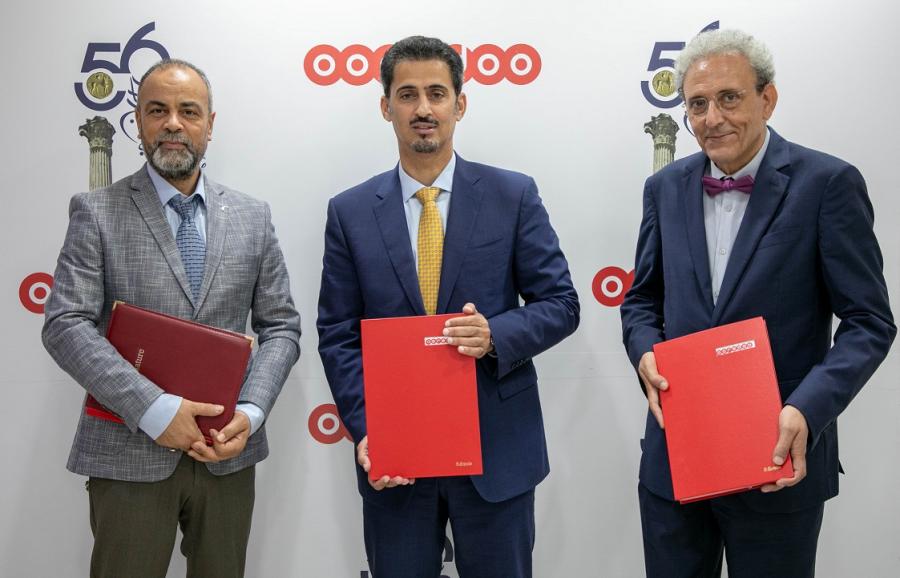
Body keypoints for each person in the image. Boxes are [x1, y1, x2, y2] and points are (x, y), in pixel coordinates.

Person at [621, 29, 895, 577]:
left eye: (729, 98)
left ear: (767, 99)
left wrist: (808, 408)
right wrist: (645, 351)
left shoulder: (828, 183)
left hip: (778, 454)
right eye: (697, 104)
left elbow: (869, 322)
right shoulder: (664, 188)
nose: (712, 118)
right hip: (676, 458)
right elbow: (642, 299)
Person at [316, 35, 579, 577]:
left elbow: (561, 303)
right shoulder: (350, 211)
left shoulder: (513, 195)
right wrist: (369, 430)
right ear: (385, 106)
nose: (423, 109)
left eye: (436, 93)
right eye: (407, 95)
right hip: (395, 457)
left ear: (460, 104)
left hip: (496, 451)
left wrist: (496, 335)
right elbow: (338, 333)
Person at [42, 58, 301, 578]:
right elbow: (65, 323)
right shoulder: (96, 211)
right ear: (138, 121)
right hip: (129, 451)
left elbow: (281, 327)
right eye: (158, 110)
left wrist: (250, 412)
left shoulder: (253, 217)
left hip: (227, 454)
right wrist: (154, 410)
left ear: (210, 123)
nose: (173, 124)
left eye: (189, 111)